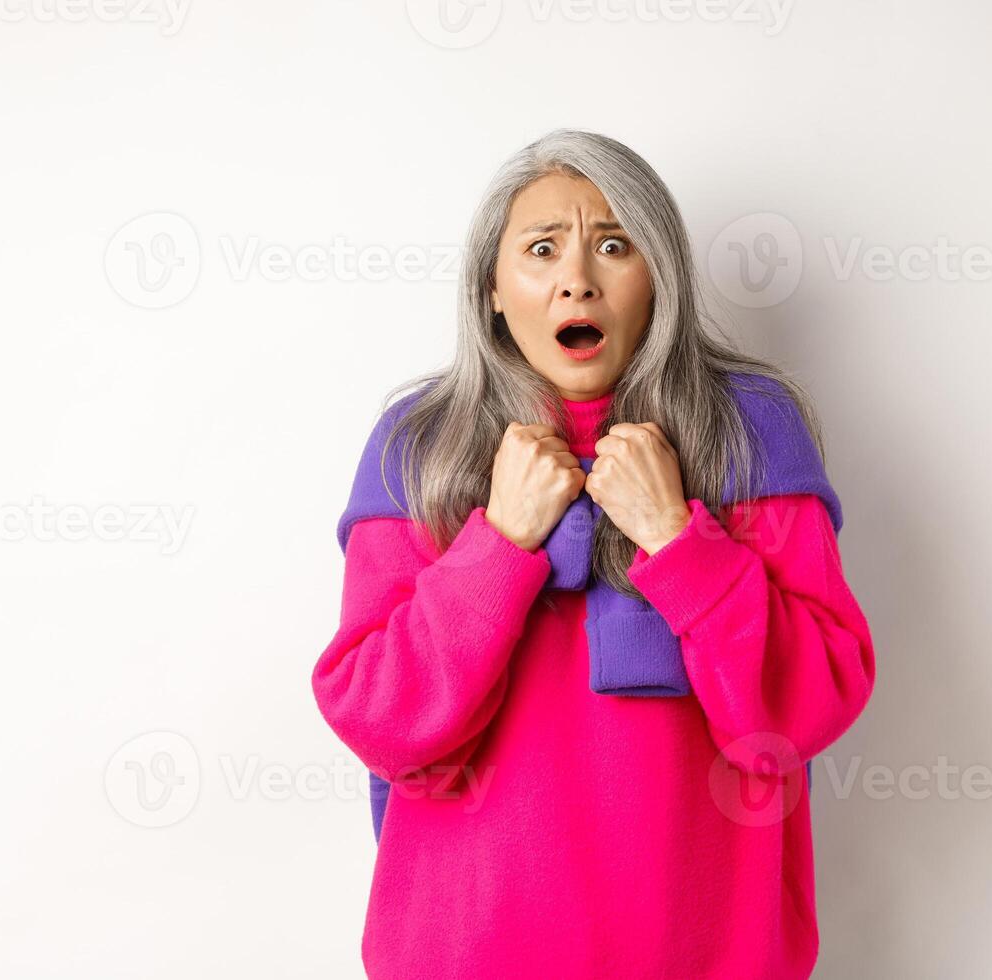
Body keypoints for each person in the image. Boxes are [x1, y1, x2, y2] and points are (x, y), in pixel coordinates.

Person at [311, 129, 876, 979]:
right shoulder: (417, 446)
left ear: (660, 279)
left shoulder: (750, 429)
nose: (577, 276)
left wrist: (680, 544)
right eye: (541, 249)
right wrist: (498, 545)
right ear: (493, 290)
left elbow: (800, 713)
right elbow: (384, 722)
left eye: (613, 245)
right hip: (463, 956)